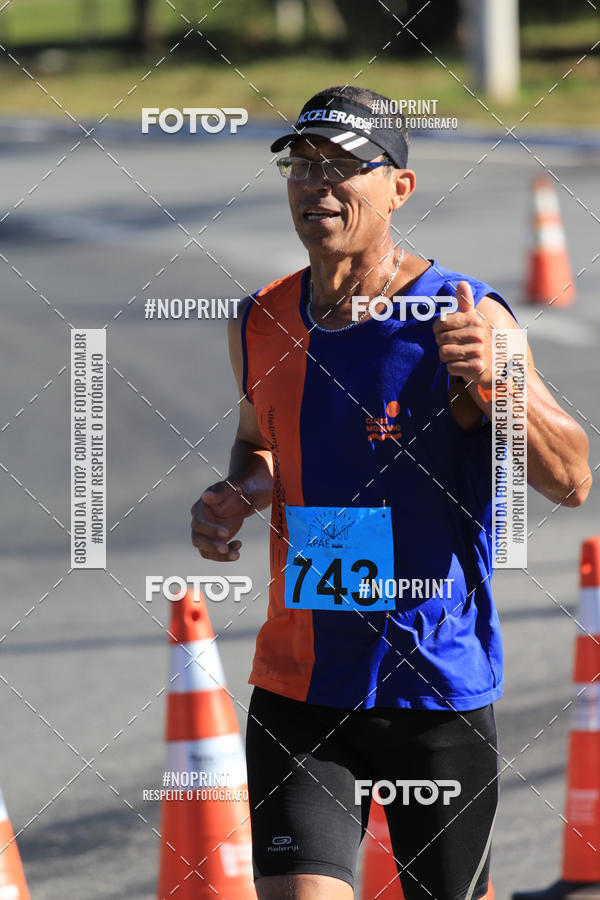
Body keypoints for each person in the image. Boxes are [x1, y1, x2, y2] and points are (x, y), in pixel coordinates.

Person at [190, 86, 591, 900]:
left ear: (399, 188)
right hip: (300, 685)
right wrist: (237, 492)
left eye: (341, 167)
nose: (316, 185)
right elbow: (261, 441)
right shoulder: (260, 319)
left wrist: (500, 385)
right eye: (302, 166)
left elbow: (572, 478)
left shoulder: (461, 316)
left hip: (433, 688)